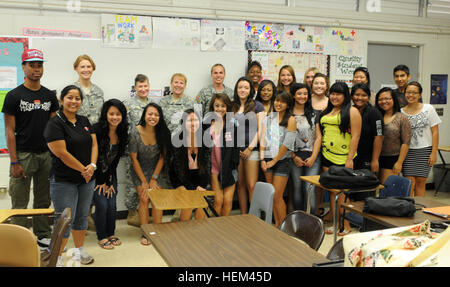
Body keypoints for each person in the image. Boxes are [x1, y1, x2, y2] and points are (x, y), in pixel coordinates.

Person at [2, 49, 58, 250]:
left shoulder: (49, 96)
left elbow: (54, 129)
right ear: (23, 67)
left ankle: (43, 236)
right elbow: (9, 130)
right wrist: (14, 161)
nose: (36, 69)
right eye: (32, 65)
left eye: (39, 65)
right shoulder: (14, 95)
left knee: (43, 199)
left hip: (46, 156)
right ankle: (19, 240)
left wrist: (55, 156)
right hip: (23, 155)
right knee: (20, 200)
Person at [44, 85, 98, 266]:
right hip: (63, 180)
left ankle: (79, 250)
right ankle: (57, 257)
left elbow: (94, 144)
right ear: (61, 99)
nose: (74, 101)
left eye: (77, 98)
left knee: (82, 216)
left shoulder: (84, 120)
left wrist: (92, 165)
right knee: (64, 219)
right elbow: (62, 153)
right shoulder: (54, 123)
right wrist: (84, 170)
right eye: (70, 97)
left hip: (87, 179)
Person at [317, 82, 362, 236]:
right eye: (332, 93)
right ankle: (337, 223)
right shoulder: (327, 111)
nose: (334, 97)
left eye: (338, 94)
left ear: (345, 96)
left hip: (343, 158)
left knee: (342, 193)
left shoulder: (352, 111)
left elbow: (356, 136)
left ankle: (345, 224)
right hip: (327, 156)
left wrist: (350, 158)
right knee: (332, 191)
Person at [129, 103, 171, 245]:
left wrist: (154, 178)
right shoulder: (134, 132)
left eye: (156, 114)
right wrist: (144, 182)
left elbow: (162, 158)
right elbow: (134, 160)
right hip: (139, 170)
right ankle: (146, 232)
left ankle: (156, 231)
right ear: (144, 115)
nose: (153, 117)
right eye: (150, 114)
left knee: (156, 197)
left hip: (156, 171)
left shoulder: (164, 132)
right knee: (144, 198)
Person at [92, 99, 129, 250]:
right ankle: (101, 236)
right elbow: (97, 158)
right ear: (105, 114)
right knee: (101, 204)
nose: (115, 117)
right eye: (111, 114)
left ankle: (111, 233)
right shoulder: (97, 130)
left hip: (109, 175)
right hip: (94, 175)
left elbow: (115, 161)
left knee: (112, 205)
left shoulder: (122, 133)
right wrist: (101, 181)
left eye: (118, 114)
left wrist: (109, 180)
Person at [260, 91, 296, 227]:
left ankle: (283, 226)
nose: (278, 104)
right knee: (271, 195)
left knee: (277, 195)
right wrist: (262, 159)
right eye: (276, 101)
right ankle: (276, 224)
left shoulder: (291, 120)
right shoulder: (269, 118)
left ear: (287, 105)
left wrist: (274, 161)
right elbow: (263, 139)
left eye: (282, 101)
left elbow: (286, 144)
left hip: (282, 161)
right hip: (267, 159)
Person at [122, 74, 153, 227]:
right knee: (131, 181)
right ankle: (132, 213)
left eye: (145, 86)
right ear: (135, 88)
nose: (143, 89)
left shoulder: (153, 105)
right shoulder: (127, 104)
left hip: (149, 152)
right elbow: (123, 127)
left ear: (149, 87)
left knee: (147, 181)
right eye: (140, 86)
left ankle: (145, 212)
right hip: (133, 150)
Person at [401, 82, 440, 197]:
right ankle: (408, 208)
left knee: (421, 182)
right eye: (408, 92)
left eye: (414, 93)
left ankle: (420, 210)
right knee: (409, 182)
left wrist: (434, 152)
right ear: (405, 93)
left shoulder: (428, 108)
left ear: (420, 94)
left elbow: (435, 132)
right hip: (408, 151)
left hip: (425, 150)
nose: (411, 95)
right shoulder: (401, 111)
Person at [232, 77, 265, 214]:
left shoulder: (258, 106)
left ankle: (254, 217)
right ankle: (244, 214)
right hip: (236, 150)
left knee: (251, 185)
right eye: (240, 87)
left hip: (252, 150)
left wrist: (249, 148)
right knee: (240, 185)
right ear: (236, 89)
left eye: (246, 87)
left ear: (251, 90)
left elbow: (261, 129)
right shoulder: (232, 106)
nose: (243, 90)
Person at [169, 109, 208, 220]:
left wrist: (202, 186)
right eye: (188, 120)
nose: (192, 123)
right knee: (189, 201)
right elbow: (177, 171)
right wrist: (193, 188)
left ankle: (197, 232)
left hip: (198, 180)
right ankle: (183, 231)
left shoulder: (205, 140)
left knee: (202, 201)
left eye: (195, 120)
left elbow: (207, 167)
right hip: (180, 180)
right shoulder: (177, 140)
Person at [289, 83, 322, 213]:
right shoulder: (288, 113)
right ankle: (298, 219)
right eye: (299, 93)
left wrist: (314, 156)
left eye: (305, 94)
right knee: (296, 188)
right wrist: (293, 156)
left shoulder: (314, 113)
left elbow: (318, 137)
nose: (302, 96)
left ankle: (311, 220)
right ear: (293, 95)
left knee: (309, 188)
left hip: (312, 156)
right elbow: (284, 138)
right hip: (294, 156)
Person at [205, 93, 240, 216]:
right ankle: (215, 230)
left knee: (228, 200)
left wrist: (233, 167)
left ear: (228, 107)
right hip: (214, 169)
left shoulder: (233, 124)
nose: (220, 109)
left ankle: (225, 229)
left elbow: (236, 149)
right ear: (212, 107)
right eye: (217, 106)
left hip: (230, 169)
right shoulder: (207, 124)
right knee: (218, 201)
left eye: (223, 106)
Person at [375, 87, 411, 184]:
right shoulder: (376, 116)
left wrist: (399, 163)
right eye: (380, 99)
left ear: (394, 100)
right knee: (373, 189)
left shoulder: (401, 118)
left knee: (386, 189)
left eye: (387, 98)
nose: (384, 101)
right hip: (375, 157)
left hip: (392, 158)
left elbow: (406, 142)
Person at [351, 83, 384, 173]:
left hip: (368, 157)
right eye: (357, 95)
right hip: (351, 156)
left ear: (368, 97)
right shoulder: (349, 111)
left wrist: (375, 160)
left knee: (364, 185)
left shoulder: (374, 112)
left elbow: (379, 136)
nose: (360, 98)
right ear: (352, 96)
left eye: (364, 95)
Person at [73, 54, 104, 124]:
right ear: (76, 68)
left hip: (97, 132)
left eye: (89, 67)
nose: (86, 70)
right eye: (82, 67)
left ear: (93, 68)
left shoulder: (99, 91)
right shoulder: (71, 91)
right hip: (78, 132)